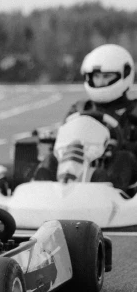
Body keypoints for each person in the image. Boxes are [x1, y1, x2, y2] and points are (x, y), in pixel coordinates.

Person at [33, 44, 137, 191]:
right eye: (96, 77)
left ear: (125, 75)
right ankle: (41, 195)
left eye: (106, 77)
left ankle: (109, 196)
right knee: (51, 159)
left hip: (120, 176)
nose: (100, 82)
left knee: (124, 158)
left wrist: (120, 144)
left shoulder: (133, 111)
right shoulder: (80, 108)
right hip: (78, 166)